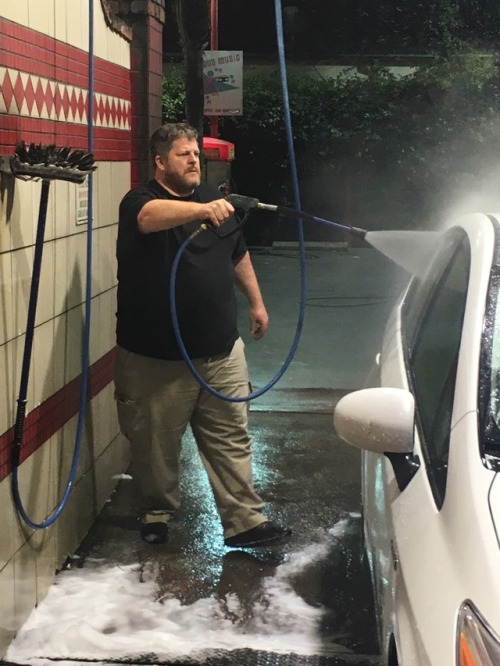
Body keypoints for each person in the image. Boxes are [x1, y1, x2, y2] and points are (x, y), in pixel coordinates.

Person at [114, 122, 291, 548]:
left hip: (220, 351)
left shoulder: (215, 202)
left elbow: (237, 253)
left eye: (196, 153)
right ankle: (156, 512)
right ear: (160, 162)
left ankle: (245, 520)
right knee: (155, 444)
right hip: (157, 357)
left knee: (232, 435)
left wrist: (256, 301)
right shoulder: (141, 201)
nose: (194, 160)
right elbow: (147, 219)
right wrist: (200, 210)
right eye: (183, 154)